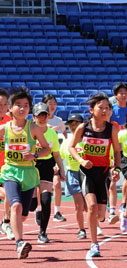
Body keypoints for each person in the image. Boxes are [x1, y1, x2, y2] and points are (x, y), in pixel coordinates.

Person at [0, 87, 51, 259]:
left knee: (22, 216)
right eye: (18, 105)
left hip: (28, 173)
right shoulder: (4, 129)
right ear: (10, 108)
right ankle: (19, 243)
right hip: (10, 171)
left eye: (26, 105)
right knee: (15, 205)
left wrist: (35, 155)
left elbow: (46, 149)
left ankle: (8, 225)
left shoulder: (34, 128)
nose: (22, 109)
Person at [69, 92, 121, 257]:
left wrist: (117, 169)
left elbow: (118, 151)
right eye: (101, 108)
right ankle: (94, 245)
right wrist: (81, 160)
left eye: (107, 108)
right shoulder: (83, 127)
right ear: (92, 110)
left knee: (99, 214)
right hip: (87, 172)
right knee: (90, 207)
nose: (105, 111)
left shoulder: (111, 129)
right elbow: (71, 146)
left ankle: (99, 218)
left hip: (103, 173)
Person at [32, 102, 66, 244]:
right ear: (34, 117)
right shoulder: (29, 131)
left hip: (47, 165)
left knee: (46, 199)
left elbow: (56, 154)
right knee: (32, 204)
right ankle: (36, 209)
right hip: (31, 166)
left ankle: (43, 232)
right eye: (39, 116)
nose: (42, 118)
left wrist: (62, 171)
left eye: (44, 115)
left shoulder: (52, 133)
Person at [60, 114, 87, 239]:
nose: (74, 126)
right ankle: (81, 229)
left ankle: (95, 223)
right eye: (71, 124)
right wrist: (58, 168)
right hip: (72, 173)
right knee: (79, 204)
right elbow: (60, 158)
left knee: (89, 205)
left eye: (77, 124)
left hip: (87, 174)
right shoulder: (67, 142)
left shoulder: (88, 140)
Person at [42, 94, 68, 223]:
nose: (52, 106)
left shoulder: (58, 121)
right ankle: (39, 210)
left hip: (54, 155)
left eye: (54, 103)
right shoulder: (37, 121)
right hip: (41, 156)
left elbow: (66, 136)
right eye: (49, 103)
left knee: (57, 184)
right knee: (39, 186)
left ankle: (57, 211)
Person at [109, 83, 127, 222]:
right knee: (113, 177)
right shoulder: (112, 111)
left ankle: (123, 204)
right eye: (120, 92)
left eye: (125, 92)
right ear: (116, 95)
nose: (123, 95)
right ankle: (111, 209)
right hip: (114, 149)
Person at [0, 88, 15, 240]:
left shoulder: (10, 123)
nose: (2, 108)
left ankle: (6, 221)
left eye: (5, 105)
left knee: (10, 195)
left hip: (6, 167)